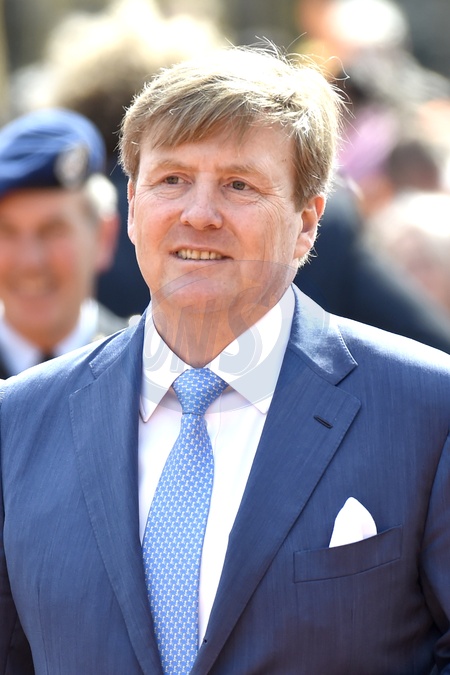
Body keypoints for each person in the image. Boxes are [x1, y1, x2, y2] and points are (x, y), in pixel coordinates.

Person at [1, 44, 450, 675]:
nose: (199, 214)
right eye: (171, 180)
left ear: (306, 223)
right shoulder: (17, 423)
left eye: (239, 185)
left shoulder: (428, 414)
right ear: (132, 207)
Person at [0, 107, 129, 377]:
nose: (30, 262)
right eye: (7, 232)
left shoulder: (142, 371)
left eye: (53, 231)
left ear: (103, 237)